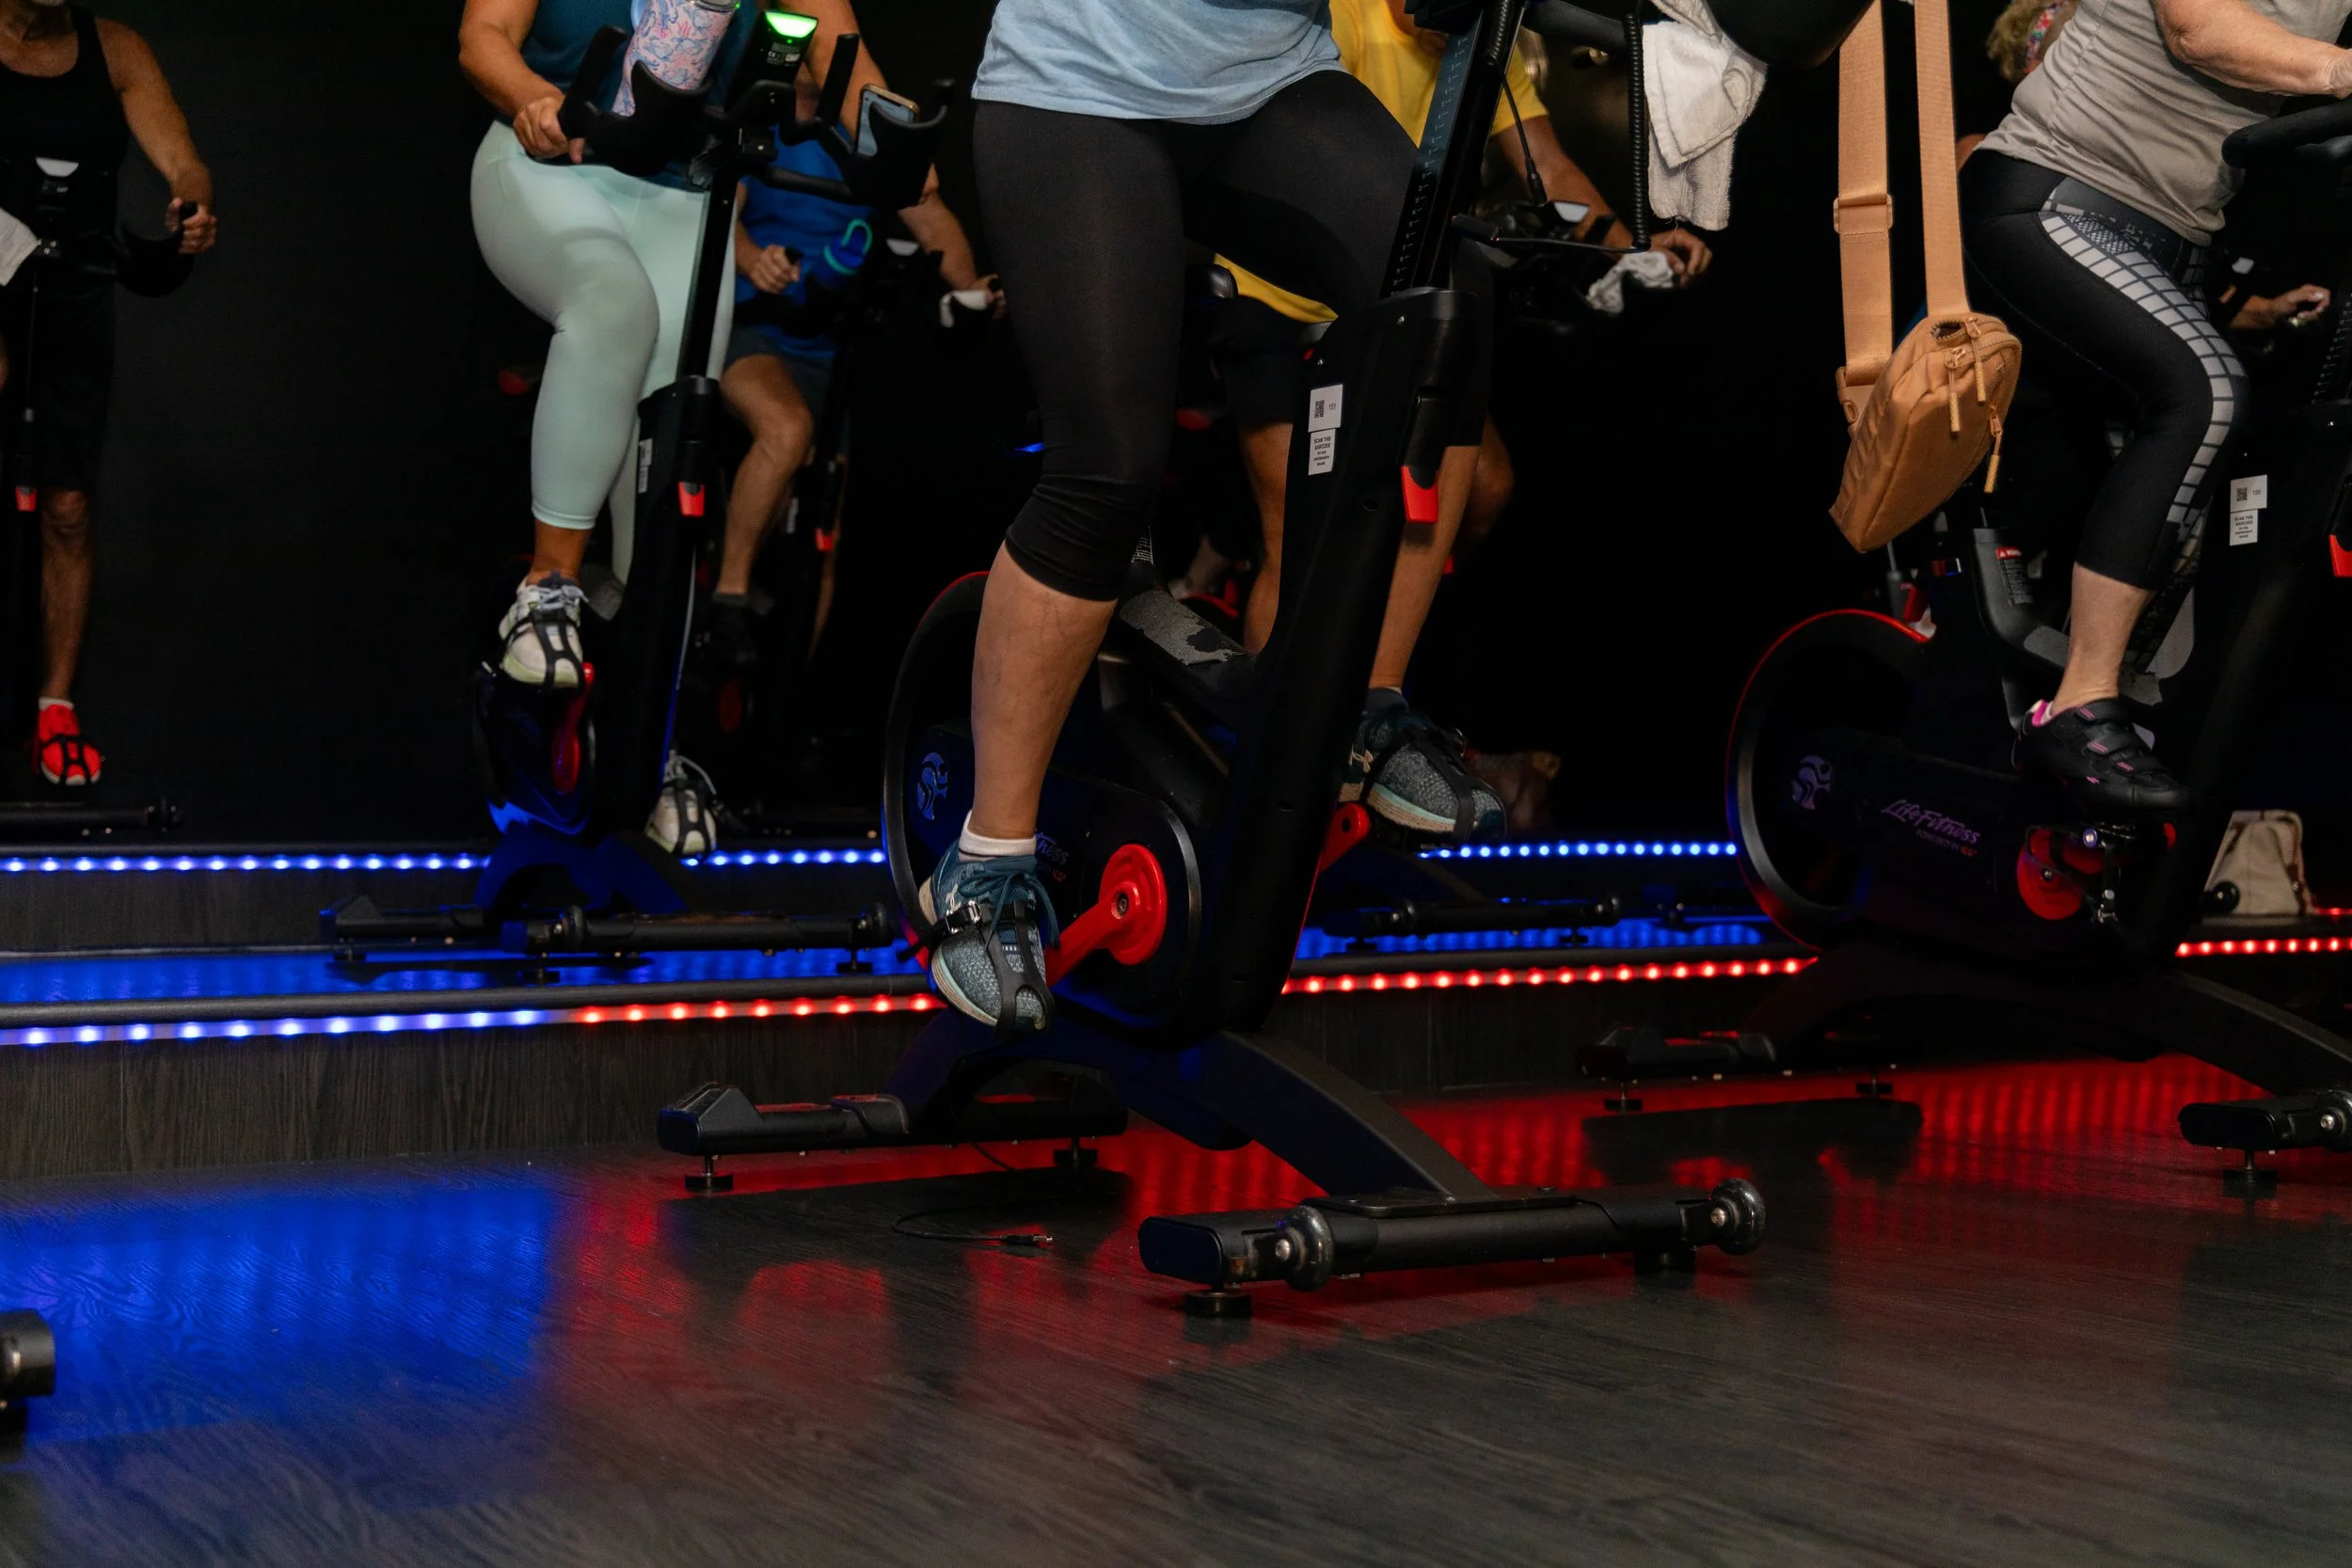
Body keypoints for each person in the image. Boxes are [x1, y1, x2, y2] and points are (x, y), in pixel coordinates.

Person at [918, 0, 1502, 1032]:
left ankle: (1367, 714)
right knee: (1107, 467)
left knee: (1437, 337)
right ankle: (984, 865)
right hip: (1077, 87)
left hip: (1267, 82)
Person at [1209, 0, 1710, 835]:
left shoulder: (1484, 41)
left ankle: (1371, 713)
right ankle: (1266, 786)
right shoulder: (1337, 14)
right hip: (1278, 295)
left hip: (1395, 304)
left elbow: (1543, 164)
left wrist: (1632, 242)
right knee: (1301, 545)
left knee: (1483, 486)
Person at [459, 0, 920, 849]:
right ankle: (544, 593)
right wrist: (528, 95)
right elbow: (482, 40)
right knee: (613, 305)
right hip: (552, 166)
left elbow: (848, 68)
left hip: (682, 202)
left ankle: (650, 742)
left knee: (679, 455)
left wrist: (896, 140)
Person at [1963, 0, 2352, 822]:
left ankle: (2116, 679)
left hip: (2171, 243)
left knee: (2238, 450)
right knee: (2205, 391)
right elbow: (2200, 30)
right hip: (2054, 195)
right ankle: (2077, 703)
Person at [0, 0, 215, 789]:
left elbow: (184, 161)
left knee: (68, 506)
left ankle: (55, 707)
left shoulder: (116, 50)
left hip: (75, 288)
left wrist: (190, 205)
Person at [704, 96, 998, 670]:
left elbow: (932, 218)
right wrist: (750, 259)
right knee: (788, 431)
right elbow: (724, 208)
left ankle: (784, 700)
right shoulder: (762, 112)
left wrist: (968, 290)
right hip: (753, 330)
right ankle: (726, 602)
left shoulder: (871, 131)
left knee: (825, 538)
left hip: (827, 349)